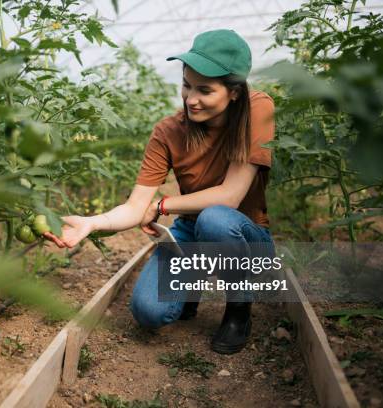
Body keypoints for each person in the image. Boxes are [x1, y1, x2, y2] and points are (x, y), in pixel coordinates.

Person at [44, 29, 276, 355]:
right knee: (149, 311)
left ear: (234, 92)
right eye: (186, 85)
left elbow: (230, 196)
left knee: (216, 220)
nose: (190, 99)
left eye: (205, 90)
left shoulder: (257, 108)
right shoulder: (169, 131)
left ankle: (239, 310)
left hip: (244, 234)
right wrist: (92, 223)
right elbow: (136, 205)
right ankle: (190, 285)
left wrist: (164, 204)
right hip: (191, 229)